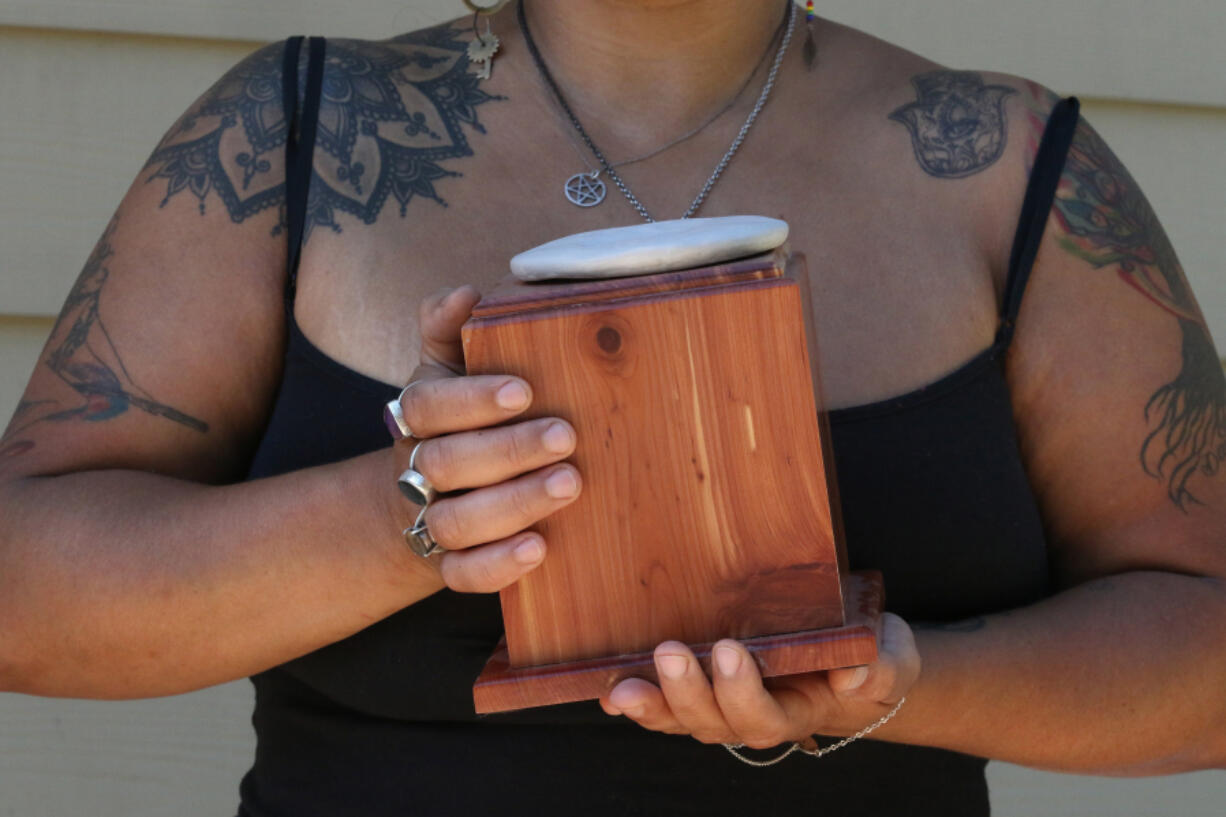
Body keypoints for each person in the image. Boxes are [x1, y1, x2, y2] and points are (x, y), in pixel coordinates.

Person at [1, 1, 1223, 814]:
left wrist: (902, 683)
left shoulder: (1005, 166)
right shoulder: (296, 134)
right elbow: (26, 597)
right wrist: (409, 514)